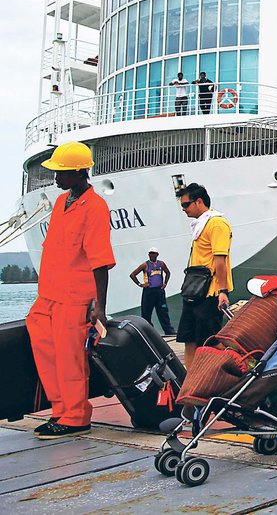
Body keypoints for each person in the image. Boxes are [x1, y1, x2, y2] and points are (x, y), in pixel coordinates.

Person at [27, 141, 115, 439]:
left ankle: (76, 415)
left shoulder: (95, 207)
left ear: (80, 172)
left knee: (69, 358)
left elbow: (100, 261)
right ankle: (59, 410)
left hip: (74, 298)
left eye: (61, 173)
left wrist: (98, 306)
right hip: (48, 295)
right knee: (45, 351)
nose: (56, 178)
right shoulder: (62, 203)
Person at [175, 183, 232, 370]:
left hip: (210, 292)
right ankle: (190, 383)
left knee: (210, 341)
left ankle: (237, 366)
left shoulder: (216, 223)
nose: (183, 209)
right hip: (194, 291)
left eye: (186, 205)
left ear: (199, 201)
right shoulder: (201, 224)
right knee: (189, 339)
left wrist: (223, 291)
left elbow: (220, 259)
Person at [129, 247, 175, 335]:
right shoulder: (145, 265)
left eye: (153, 253)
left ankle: (169, 330)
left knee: (163, 311)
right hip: (149, 291)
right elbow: (133, 274)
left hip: (159, 291)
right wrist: (140, 284)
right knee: (146, 312)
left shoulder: (161, 264)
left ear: (157, 254)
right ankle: (148, 332)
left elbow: (168, 272)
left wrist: (165, 283)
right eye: (150, 253)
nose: (152, 255)